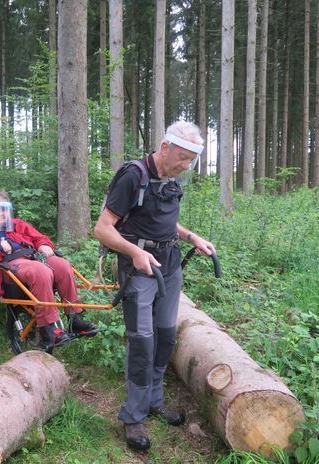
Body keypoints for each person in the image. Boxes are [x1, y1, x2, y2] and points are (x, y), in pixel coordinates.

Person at [94, 121, 216, 452]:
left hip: (170, 264)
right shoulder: (133, 175)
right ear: (164, 148)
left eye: (191, 160)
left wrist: (192, 237)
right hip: (139, 268)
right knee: (142, 340)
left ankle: (154, 400)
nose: (185, 165)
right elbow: (103, 229)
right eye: (181, 157)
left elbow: (164, 221)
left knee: (165, 336)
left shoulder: (171, 179)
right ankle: (133, 416)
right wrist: (134, 252)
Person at [0, 190, 98, 349]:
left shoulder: (18, 224)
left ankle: (74, 318)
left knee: (63, 266)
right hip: (7, 269)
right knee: (40, 271)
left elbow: (40, 238)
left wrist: (43, 245)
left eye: (5, 210)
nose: (1, 214)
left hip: (32, 258)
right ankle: (49, 329)